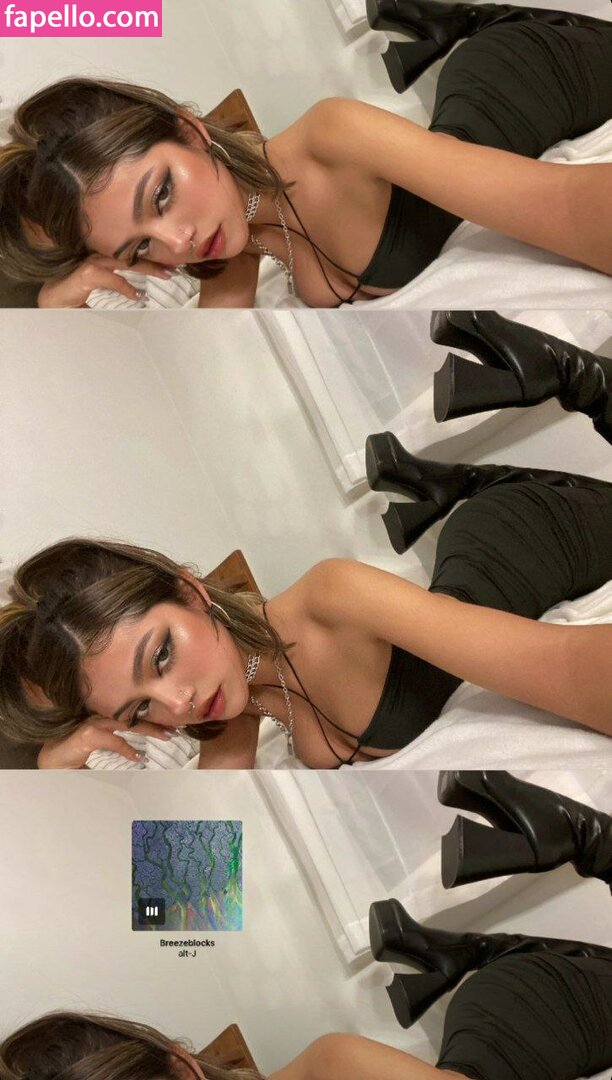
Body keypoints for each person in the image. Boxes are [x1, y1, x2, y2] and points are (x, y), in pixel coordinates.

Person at [2, 448, 612, 769]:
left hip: (527, 533)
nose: (176, 703)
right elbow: (188, 911)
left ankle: (479, 479)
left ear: (190, 591)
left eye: (161, 655)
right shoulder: (227, 710)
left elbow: (565, 665)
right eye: (141, 708)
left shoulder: (330, 598)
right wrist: (55, 768)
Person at [1, 1, 612, 308]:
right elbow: (219, 370)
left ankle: (465, 20)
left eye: (161, 194)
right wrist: (54, 300)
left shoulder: (330, 136)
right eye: (141, 247)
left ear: (190, 131)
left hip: (529, 71)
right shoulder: (227, 249)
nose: (176, 240)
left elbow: (565, 204)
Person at [2, 778, 611, 1079]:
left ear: (186, 1068)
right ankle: (465, 952)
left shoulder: (331, 1062)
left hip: (526, 1008)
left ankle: (587, 843)